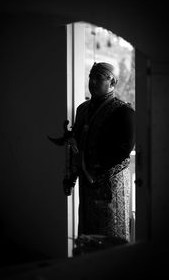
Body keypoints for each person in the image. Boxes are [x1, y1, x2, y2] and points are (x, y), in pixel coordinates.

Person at [63, 62, 135, 244]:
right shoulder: (82, 109)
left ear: (113, 82)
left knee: (111, 236)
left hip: (111, 185)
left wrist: (96, 169)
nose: (92, 81)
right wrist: (71, 176)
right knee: (87, 236)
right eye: (90, 77)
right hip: (87, 184)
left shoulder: (123, 111)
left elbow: (124, 151)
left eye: (98, 78)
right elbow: (75, 144)